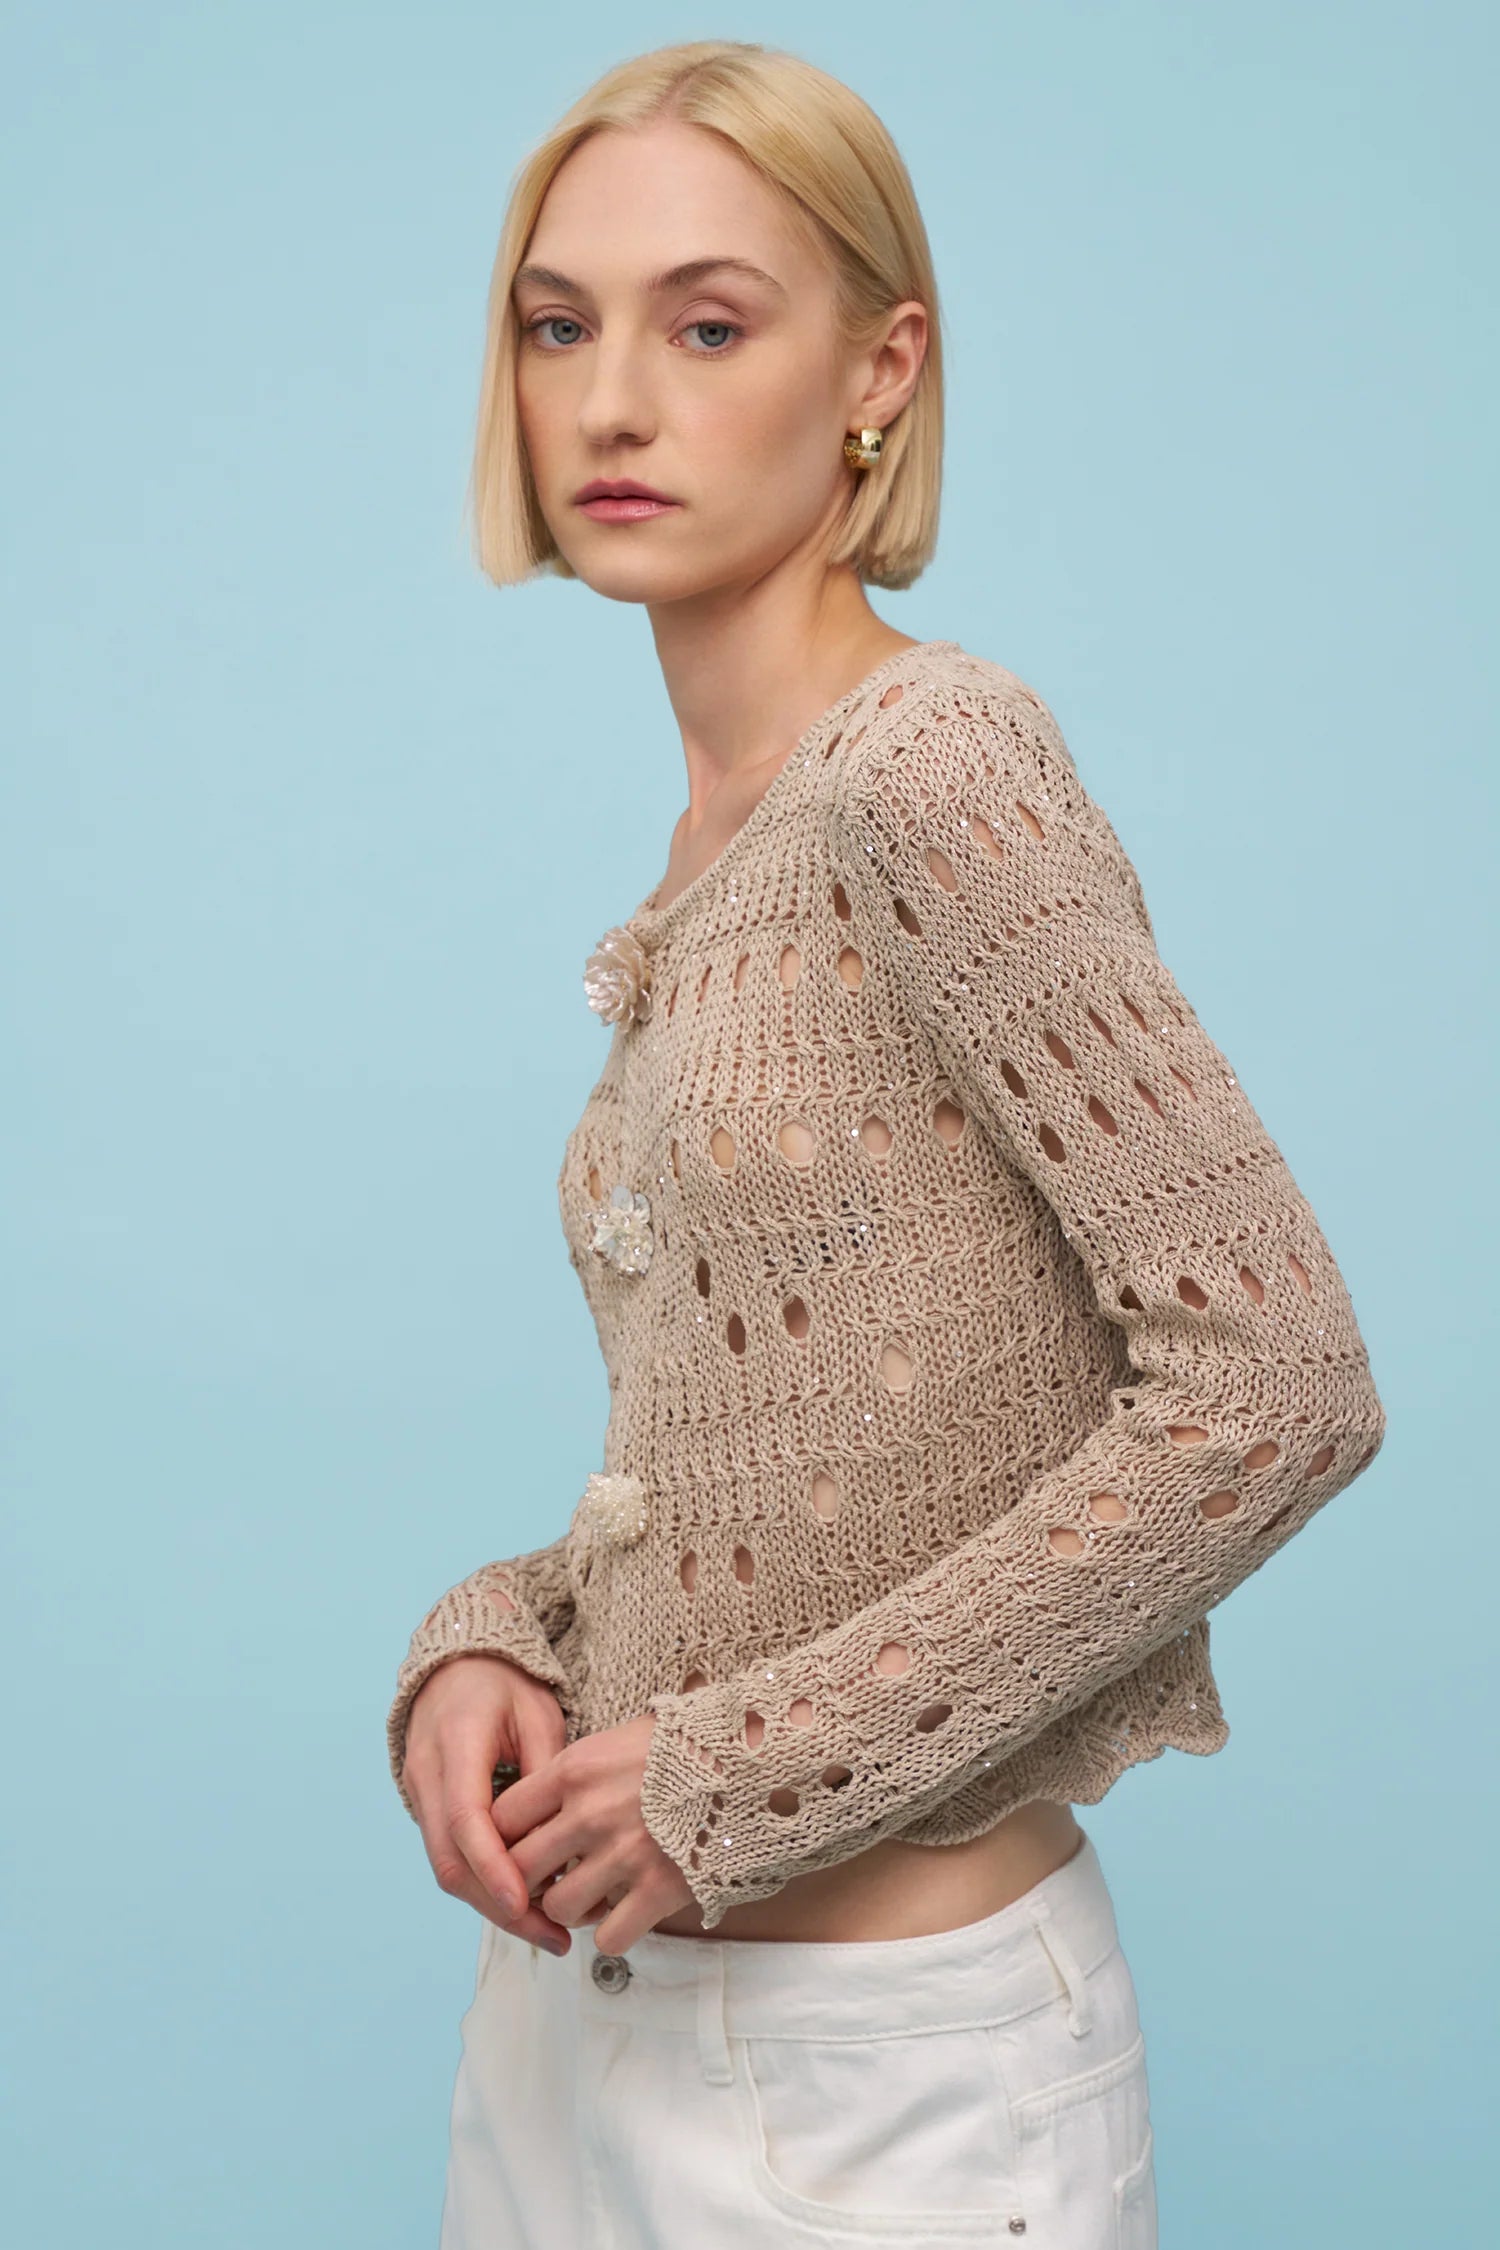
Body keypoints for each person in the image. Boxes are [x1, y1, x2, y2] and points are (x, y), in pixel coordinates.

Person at [385, 39, 1386, 2250]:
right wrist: (501, 1640)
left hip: (879, 2094)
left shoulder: (933, 768)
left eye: (705, 326)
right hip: (571, 2047)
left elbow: (1278, 1384)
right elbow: (788, 1477)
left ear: (879, 373)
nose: (609, 401)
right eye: (557, 325)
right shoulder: (714, 844)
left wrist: (748, 1773)